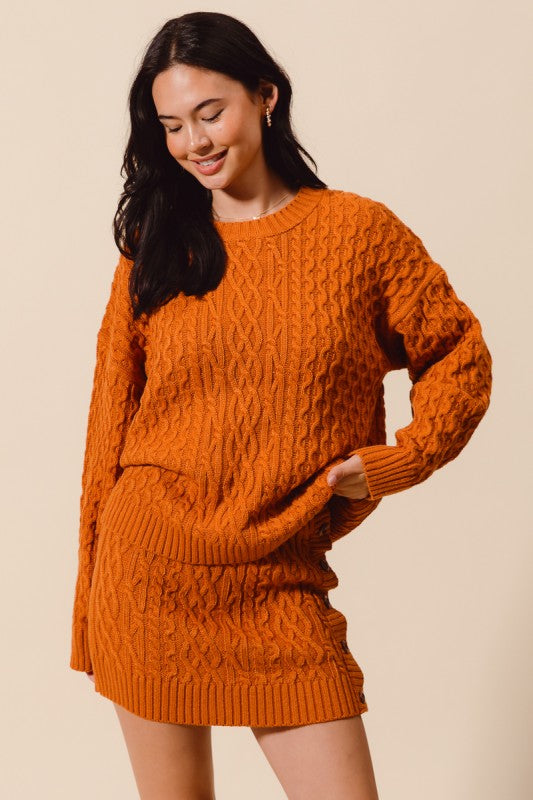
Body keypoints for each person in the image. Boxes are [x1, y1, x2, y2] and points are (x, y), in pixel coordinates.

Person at [68, 11, 492, 800]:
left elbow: (457, 355)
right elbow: (109, 422)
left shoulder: (356, 234)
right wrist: (88, 601)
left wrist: (401, 461)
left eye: (209, 112)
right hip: (148, 571)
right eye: (170, 125)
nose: (194, 141)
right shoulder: (157, 247)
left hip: (279, 578)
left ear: (264, 96)